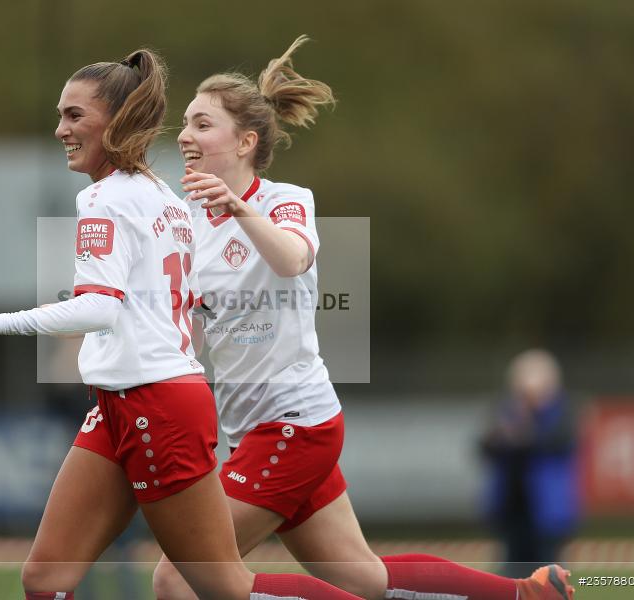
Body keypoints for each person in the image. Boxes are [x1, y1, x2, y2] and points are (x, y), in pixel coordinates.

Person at [152, 36, 575, 600]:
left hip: (294, 424)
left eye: (202, 124)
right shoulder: (190, 220)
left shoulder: (283, 200)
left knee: (180, 578)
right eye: (185, 123)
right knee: (362, 577)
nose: (184, 135)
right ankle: (528, 593)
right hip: (254, 430)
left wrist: (239, 208)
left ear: (246, 141)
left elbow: (292, 257)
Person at [0, 47, 367, 600]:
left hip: (201, 407)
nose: (60, 129)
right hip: (132, 400)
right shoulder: (169, 200)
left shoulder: (124, 199)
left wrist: (1, 322)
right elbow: (141, 305)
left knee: (198, 582)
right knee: (46, 577)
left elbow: (103, 305)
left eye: (74, 116)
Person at [480, 349, 580, 578]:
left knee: (549, 577)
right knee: (511, 577)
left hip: (548, 513)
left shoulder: (563, 412)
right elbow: (486, 446)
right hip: (512, 509)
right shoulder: (504, 411)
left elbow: (555, 443)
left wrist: (523, 432)